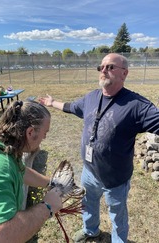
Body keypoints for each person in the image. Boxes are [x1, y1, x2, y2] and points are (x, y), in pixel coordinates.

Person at [39, 53, 159, 243]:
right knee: (88, 203)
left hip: (116, 178)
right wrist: (52, 103)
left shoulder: (137, 105)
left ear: (124, 73)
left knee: (117, 214)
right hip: (89, 171)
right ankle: (90, 230)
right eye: (101, 67)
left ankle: (119, 240)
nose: (103, 70)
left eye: (110, 67)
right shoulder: (92, 97)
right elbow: (72, 107)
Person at [0, 100, 62, 243]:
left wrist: (52, 183)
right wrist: (47, 206)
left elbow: (21, 171)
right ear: (30, 132)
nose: (44, 138)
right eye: (44, 133)